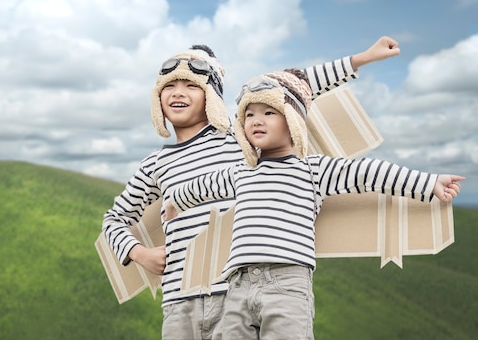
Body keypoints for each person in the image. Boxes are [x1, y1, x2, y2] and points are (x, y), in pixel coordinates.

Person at [102, 36, 403, 340]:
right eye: (169, 86)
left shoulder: (239, 137)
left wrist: (360, 59)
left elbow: (290, 88)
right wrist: (139, 253)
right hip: (179, 303)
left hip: (235, 293)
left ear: (212, 95)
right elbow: (114, 219)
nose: (178, 93)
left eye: (192, 85)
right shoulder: (155, 164)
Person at [162, 69, 465, 340]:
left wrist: (428, 183)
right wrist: (176, 202)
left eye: (269, 112)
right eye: (249, 114)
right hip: (237, 286)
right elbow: (201, 187)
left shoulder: (313, 170)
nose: (257, 120)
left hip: (287, 284)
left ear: (292, 120)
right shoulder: (241, 172)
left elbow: (369, 173)